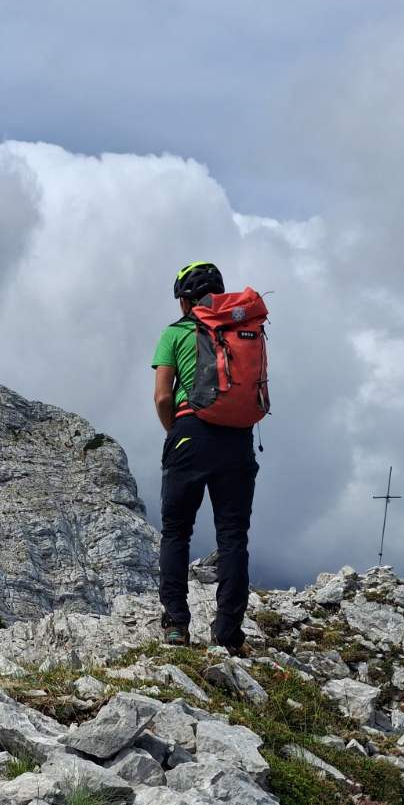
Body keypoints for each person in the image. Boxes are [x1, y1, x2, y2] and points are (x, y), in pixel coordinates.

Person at [150, 261, 261, 649]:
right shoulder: (242, 330)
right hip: (237, 438)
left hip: (189, 433)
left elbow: (163, 395)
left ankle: (177, 625)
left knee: (177, 532)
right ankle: (228, 633)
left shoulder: (176, 332)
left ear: (184, 301)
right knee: (233, 537)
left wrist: (176, 432)